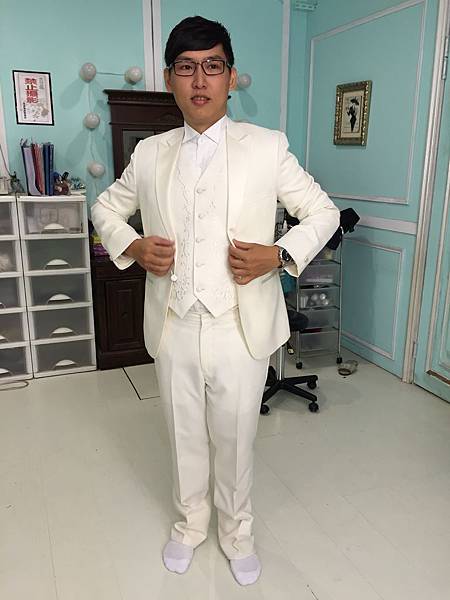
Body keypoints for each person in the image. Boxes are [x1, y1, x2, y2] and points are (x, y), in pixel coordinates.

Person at [91, 15, 339, 586]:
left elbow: (323, 212)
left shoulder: (267, 147)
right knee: (183, 433)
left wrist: (278, 254)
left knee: (235, 437)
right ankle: (189, 525)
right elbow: (104, 207)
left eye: (212, 66)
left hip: (238, 323)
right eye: (186, 67)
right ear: (169, 79)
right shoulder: (150, 153)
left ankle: (238, 533)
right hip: (174, 319)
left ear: (231, 77)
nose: (200, 80)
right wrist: (133, 244)